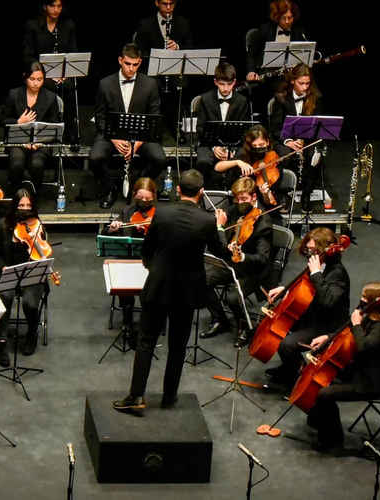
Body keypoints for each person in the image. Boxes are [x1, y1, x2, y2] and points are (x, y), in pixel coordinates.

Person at [114, 168, 231, 413]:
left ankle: (136, 396)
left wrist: (151, 267)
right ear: (201, 192)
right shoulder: (208, 220)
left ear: (178, 190)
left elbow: (148, 248)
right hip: (187, 291)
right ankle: (169, 397)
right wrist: (220, 227)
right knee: (178, 345)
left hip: (158, 286)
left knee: (146, 342)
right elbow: (222, 253)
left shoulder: (163, 213)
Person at [304, 282, 380, 453]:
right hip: (359, 370)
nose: (360, 300)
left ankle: (333, 440)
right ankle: (319, 419)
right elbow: (345, 330)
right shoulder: (368, 315)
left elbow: (363, 346)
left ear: (374, 302)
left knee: (325, 394)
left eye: (363, 297)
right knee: (323, 373)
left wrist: (357, 325)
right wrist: (328, 337)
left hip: (369, 383)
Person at [262, 227, 350, 390]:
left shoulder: (337, 273)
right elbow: (306, 286)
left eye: (314, 250)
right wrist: (285, 289)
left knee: (286, 345)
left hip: (328, 323)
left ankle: (301, 375)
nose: (310, 255)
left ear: (326, 250)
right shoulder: (318, 262)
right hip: (312, 313)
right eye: (308, 250)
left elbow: (328, 302)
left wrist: (316, 273)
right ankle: (291, 368)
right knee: (277, 326)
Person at [90, 44, 166, 210]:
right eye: (127, 63)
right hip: (112, 134)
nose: (131, 68)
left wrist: (138, 142)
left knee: (160, 158)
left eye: (135, 64)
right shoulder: (105, 84)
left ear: (140, 62)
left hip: (141, 135)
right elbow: (100, 117)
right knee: (95, 157)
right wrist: (114, 139)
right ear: (120, 60)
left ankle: (138, 187)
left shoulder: (150, 84)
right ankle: (109, 188)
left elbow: (153, 118)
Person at [201, 177, 274, 343]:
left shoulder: (264, 223)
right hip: (231, 263)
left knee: (232, 298)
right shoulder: (233, 209)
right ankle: (220, 320)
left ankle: (246, 328)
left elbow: (262, 259)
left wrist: (242, 257)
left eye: (244, 199)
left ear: (254, 197)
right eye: (236, 199)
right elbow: (219, 243)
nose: (239, 203)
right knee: (202, 280)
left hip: (253, 269)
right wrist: (218, 225)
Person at [0, 189, 51, 366]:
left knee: (30, 303)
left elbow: (43, 251)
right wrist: (4, 267)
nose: (25, 209)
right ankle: (2, 341)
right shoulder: (2, 226)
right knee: (5, 296)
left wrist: (36, 243)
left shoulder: (38, 225)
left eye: (28, 206)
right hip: (8, 271)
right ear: (14, 206)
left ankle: (32, 331)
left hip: (32, 271)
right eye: (21, 205)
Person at [103, 177, 159, 344]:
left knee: (149, 292)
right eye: (140, 198)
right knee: (124, 284)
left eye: (147, 198)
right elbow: (106, 234)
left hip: (152, 261)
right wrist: (112, 229)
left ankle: (148, 324)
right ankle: (128, 324)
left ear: (154, 196)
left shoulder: (160, 214)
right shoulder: (127, 211)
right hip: (130, 259)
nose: (143, 202)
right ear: (134, 195)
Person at [21, 0, 80, 141]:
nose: (56, 10)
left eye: (59, 6)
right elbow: (28, 55)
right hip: (40, 74)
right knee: (47, 86)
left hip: (62, 74)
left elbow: (72, 52)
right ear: (45, 7)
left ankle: (70, 131)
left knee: (69, 88)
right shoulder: (33, 26)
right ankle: (47, 130)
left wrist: (64, 73)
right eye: (52, 6)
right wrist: (43, 73)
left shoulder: (68, 26)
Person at [0, 62, 62, 199]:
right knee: (17, 162)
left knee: (37, 164)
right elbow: (2, 120)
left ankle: (35, 197)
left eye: (39, 80)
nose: (36, 83)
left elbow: (54, 125)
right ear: (25, 78)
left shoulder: (50, 97)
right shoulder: (14, 94)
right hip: (17, 141)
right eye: (32, 79)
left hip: (42, 143)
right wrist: (18, 122)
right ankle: (14, 196)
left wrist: (39, 142)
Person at [270, 64, 324, 207]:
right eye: (301, 83)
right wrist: (288, 141)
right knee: (285, 156)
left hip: (308, 138)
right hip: (284, 139)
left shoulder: (315, 96)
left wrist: (304, 140)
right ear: (293, 81)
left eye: (307, 84)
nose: (305, 88)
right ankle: (282, 194)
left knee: (315, 154)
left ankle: (306, 194)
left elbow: (317, 124)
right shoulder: (281, 98)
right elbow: (275, 128)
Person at [192, 63, 255, 187]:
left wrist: (232, 149)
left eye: (229, 84)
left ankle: (235, 191)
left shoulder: (241, 101)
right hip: (209, 142)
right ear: (215, 82)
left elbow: (245, 129)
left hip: (234, 144)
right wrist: (215, 147)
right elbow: (201, 128)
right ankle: (206, 193)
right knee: (203, 161)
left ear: (235, 82)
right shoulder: (206, 98)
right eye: (222, 84)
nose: (226, 88)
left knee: (243, 156)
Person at [212, 125, 283, 208]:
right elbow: (217, 167)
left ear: (267, 142)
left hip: (265, 209)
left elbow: (269, 203)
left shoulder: (274, 164)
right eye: (254, 146)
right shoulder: (245, 156)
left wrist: (264, 194)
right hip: (242, 206)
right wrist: (238, 162)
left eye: (261, 144)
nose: (258, 148)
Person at [245, 0, 311, 82]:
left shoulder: (299, 32)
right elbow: (251, 55)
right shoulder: (265, 30)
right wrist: (251, 72)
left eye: (290, 18)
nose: (287, 22)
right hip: (267, 75)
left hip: (291, 76)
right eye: (283, 18)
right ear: (276, 17)